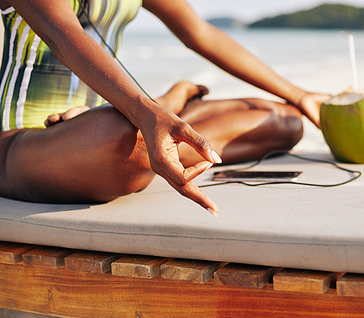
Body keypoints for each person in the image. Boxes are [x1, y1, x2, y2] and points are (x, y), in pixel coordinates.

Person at [0, 0, 331, 217]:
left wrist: (299, 95)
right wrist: (144, 112)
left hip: (105, 121)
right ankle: (162, 108)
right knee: (124, 136)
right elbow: (63, 37)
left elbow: (199, 32)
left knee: (284, 120)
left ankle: (152, 121)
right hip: (19, 139)